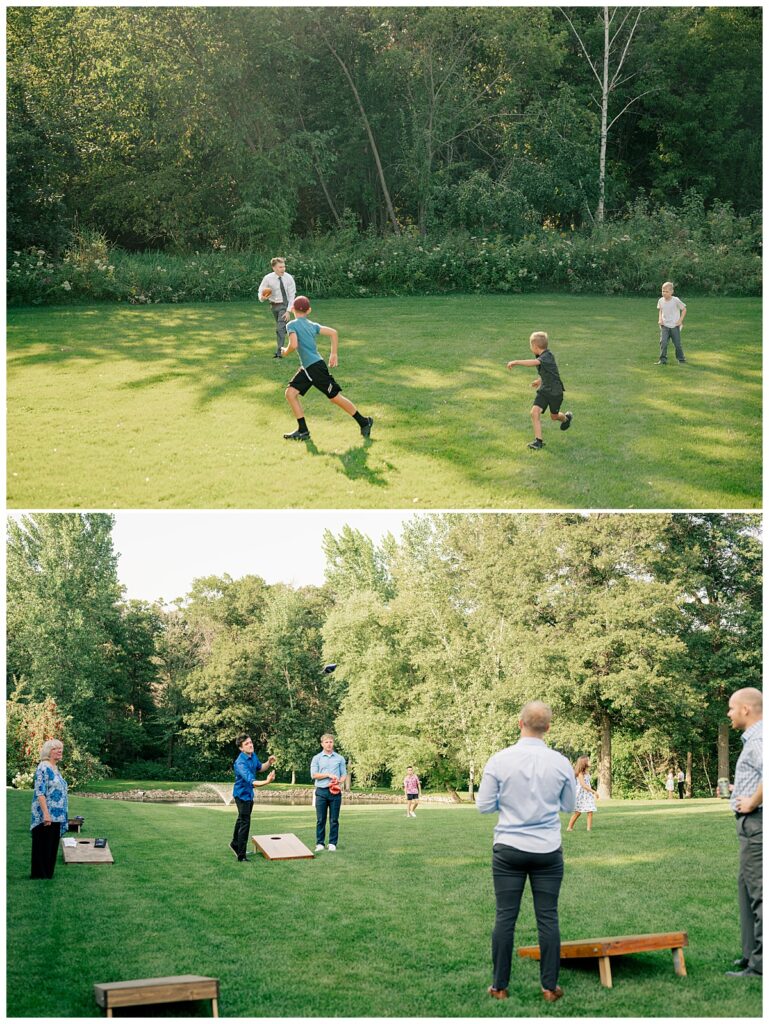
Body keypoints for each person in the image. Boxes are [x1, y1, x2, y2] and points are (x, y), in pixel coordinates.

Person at [477, 700, 577, 1004]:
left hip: (509, 847)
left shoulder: (500, 760)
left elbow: (483, 805)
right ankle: (549, 988)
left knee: (505, 917)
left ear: (520, 723)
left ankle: (500, 986)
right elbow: (570, 806)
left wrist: (507, 805)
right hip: (547, 849)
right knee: (548, 918)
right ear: (548, 727)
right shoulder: (560, 762)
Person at [280, 296, 373, 442]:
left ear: (292, 309)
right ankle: (303, 431)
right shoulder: (312, 325)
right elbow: (333, 333)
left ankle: (364, 421)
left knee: (335, 397)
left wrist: (285, 351)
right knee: (290, 393)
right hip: (308, 367)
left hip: (315, 368)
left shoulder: (291, 325)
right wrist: (333, 353)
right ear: (309, 310)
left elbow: (294, 345)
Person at [724, 687, 762, 979]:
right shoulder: (753, 739)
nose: (729, 713)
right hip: (750, 825)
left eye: (731, 708)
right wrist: (742, 791)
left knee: (760, 892)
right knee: (746, 887)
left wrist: (752, 801)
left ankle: (760, 965)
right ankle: (751, 954)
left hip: (757, 823)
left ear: (745, 710)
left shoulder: (760, 738)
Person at [507, 331, 572, 450]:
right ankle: (538, 442)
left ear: (535, 347)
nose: (531, 348)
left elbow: (535, 363)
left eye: (531, 346)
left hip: (555, 391)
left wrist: (516, 362)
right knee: (534, 412)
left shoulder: (547, 356)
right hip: (544, 390)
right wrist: (539, 380)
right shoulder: (541, 356)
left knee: (554, 416)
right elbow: (548, 372)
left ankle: (566, 418)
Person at [230, 734, 276, 862]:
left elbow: (260, 768)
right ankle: (241, 855)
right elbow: (253, 781)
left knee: (241, 819)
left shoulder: (252, 756)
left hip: (249, 794)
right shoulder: (240, 763)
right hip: (241, 795)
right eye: (246, 744)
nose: (250, 745)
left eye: (250, 742)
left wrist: (269, 762)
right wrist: (267, 781)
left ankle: (235, 844)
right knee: (245, 822)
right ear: (241, 748)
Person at [30, 739, 69, 879]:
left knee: (51, 846)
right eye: (56, 749)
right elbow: (40, 792)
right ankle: (40, 875)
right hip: (45, 815)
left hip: (57, 815)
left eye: (60, 748)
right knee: (43, 845)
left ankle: (47, 875)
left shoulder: (55, 768)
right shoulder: (43, 767)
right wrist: (46, 814)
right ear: (48, 752)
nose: (60, 751)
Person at [310, 733, 348, 851]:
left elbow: (344, 775)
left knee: (334, 819)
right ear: (322, 744)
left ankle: (332, 843)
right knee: (321, 819)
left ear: (333, 743)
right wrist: (328, 775)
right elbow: (314, 775)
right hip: (321, 791)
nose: (329, 744)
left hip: (335, 792)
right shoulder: (317, 758)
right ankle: (320, 843)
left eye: (331, 742)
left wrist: (339, 782)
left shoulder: (340, 758)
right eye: (326, 742)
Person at [258, 256, 297, 358]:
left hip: (284, 305)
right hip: (274, 306)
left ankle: (279, 353)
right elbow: (261, 290)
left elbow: (292, 295)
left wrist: (288, 311)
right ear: (274, 268)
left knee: (279, 328)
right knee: (285, 327)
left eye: (284, 267)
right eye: (280, 267)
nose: (283, 269)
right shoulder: (268, 278)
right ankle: (297, 335)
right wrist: (262, 298)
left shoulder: (288, 278)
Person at [655, 281, 687, 365]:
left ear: (671, 292)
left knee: (677, 344)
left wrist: (680, 320)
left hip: (674, 326)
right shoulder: (660, 300)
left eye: (666, 291)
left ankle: (681, 359)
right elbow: (661, 310)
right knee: (663, 342)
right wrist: (660, 319)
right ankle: (662, 360)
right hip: (664, 325)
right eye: (663, 291)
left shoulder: (675, 300)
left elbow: (684, 309)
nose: (664, 293)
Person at [566, 756, 599, 832]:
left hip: (587, 795)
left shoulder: (587, 772)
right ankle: (569, 827)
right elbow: (583, 785)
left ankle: (589, 829)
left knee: (590, 811)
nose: (590, 762)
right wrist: (594, 792)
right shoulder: (580, 773)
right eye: (588, 760)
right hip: (580, 795)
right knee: (578, 812)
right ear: (584, 763)